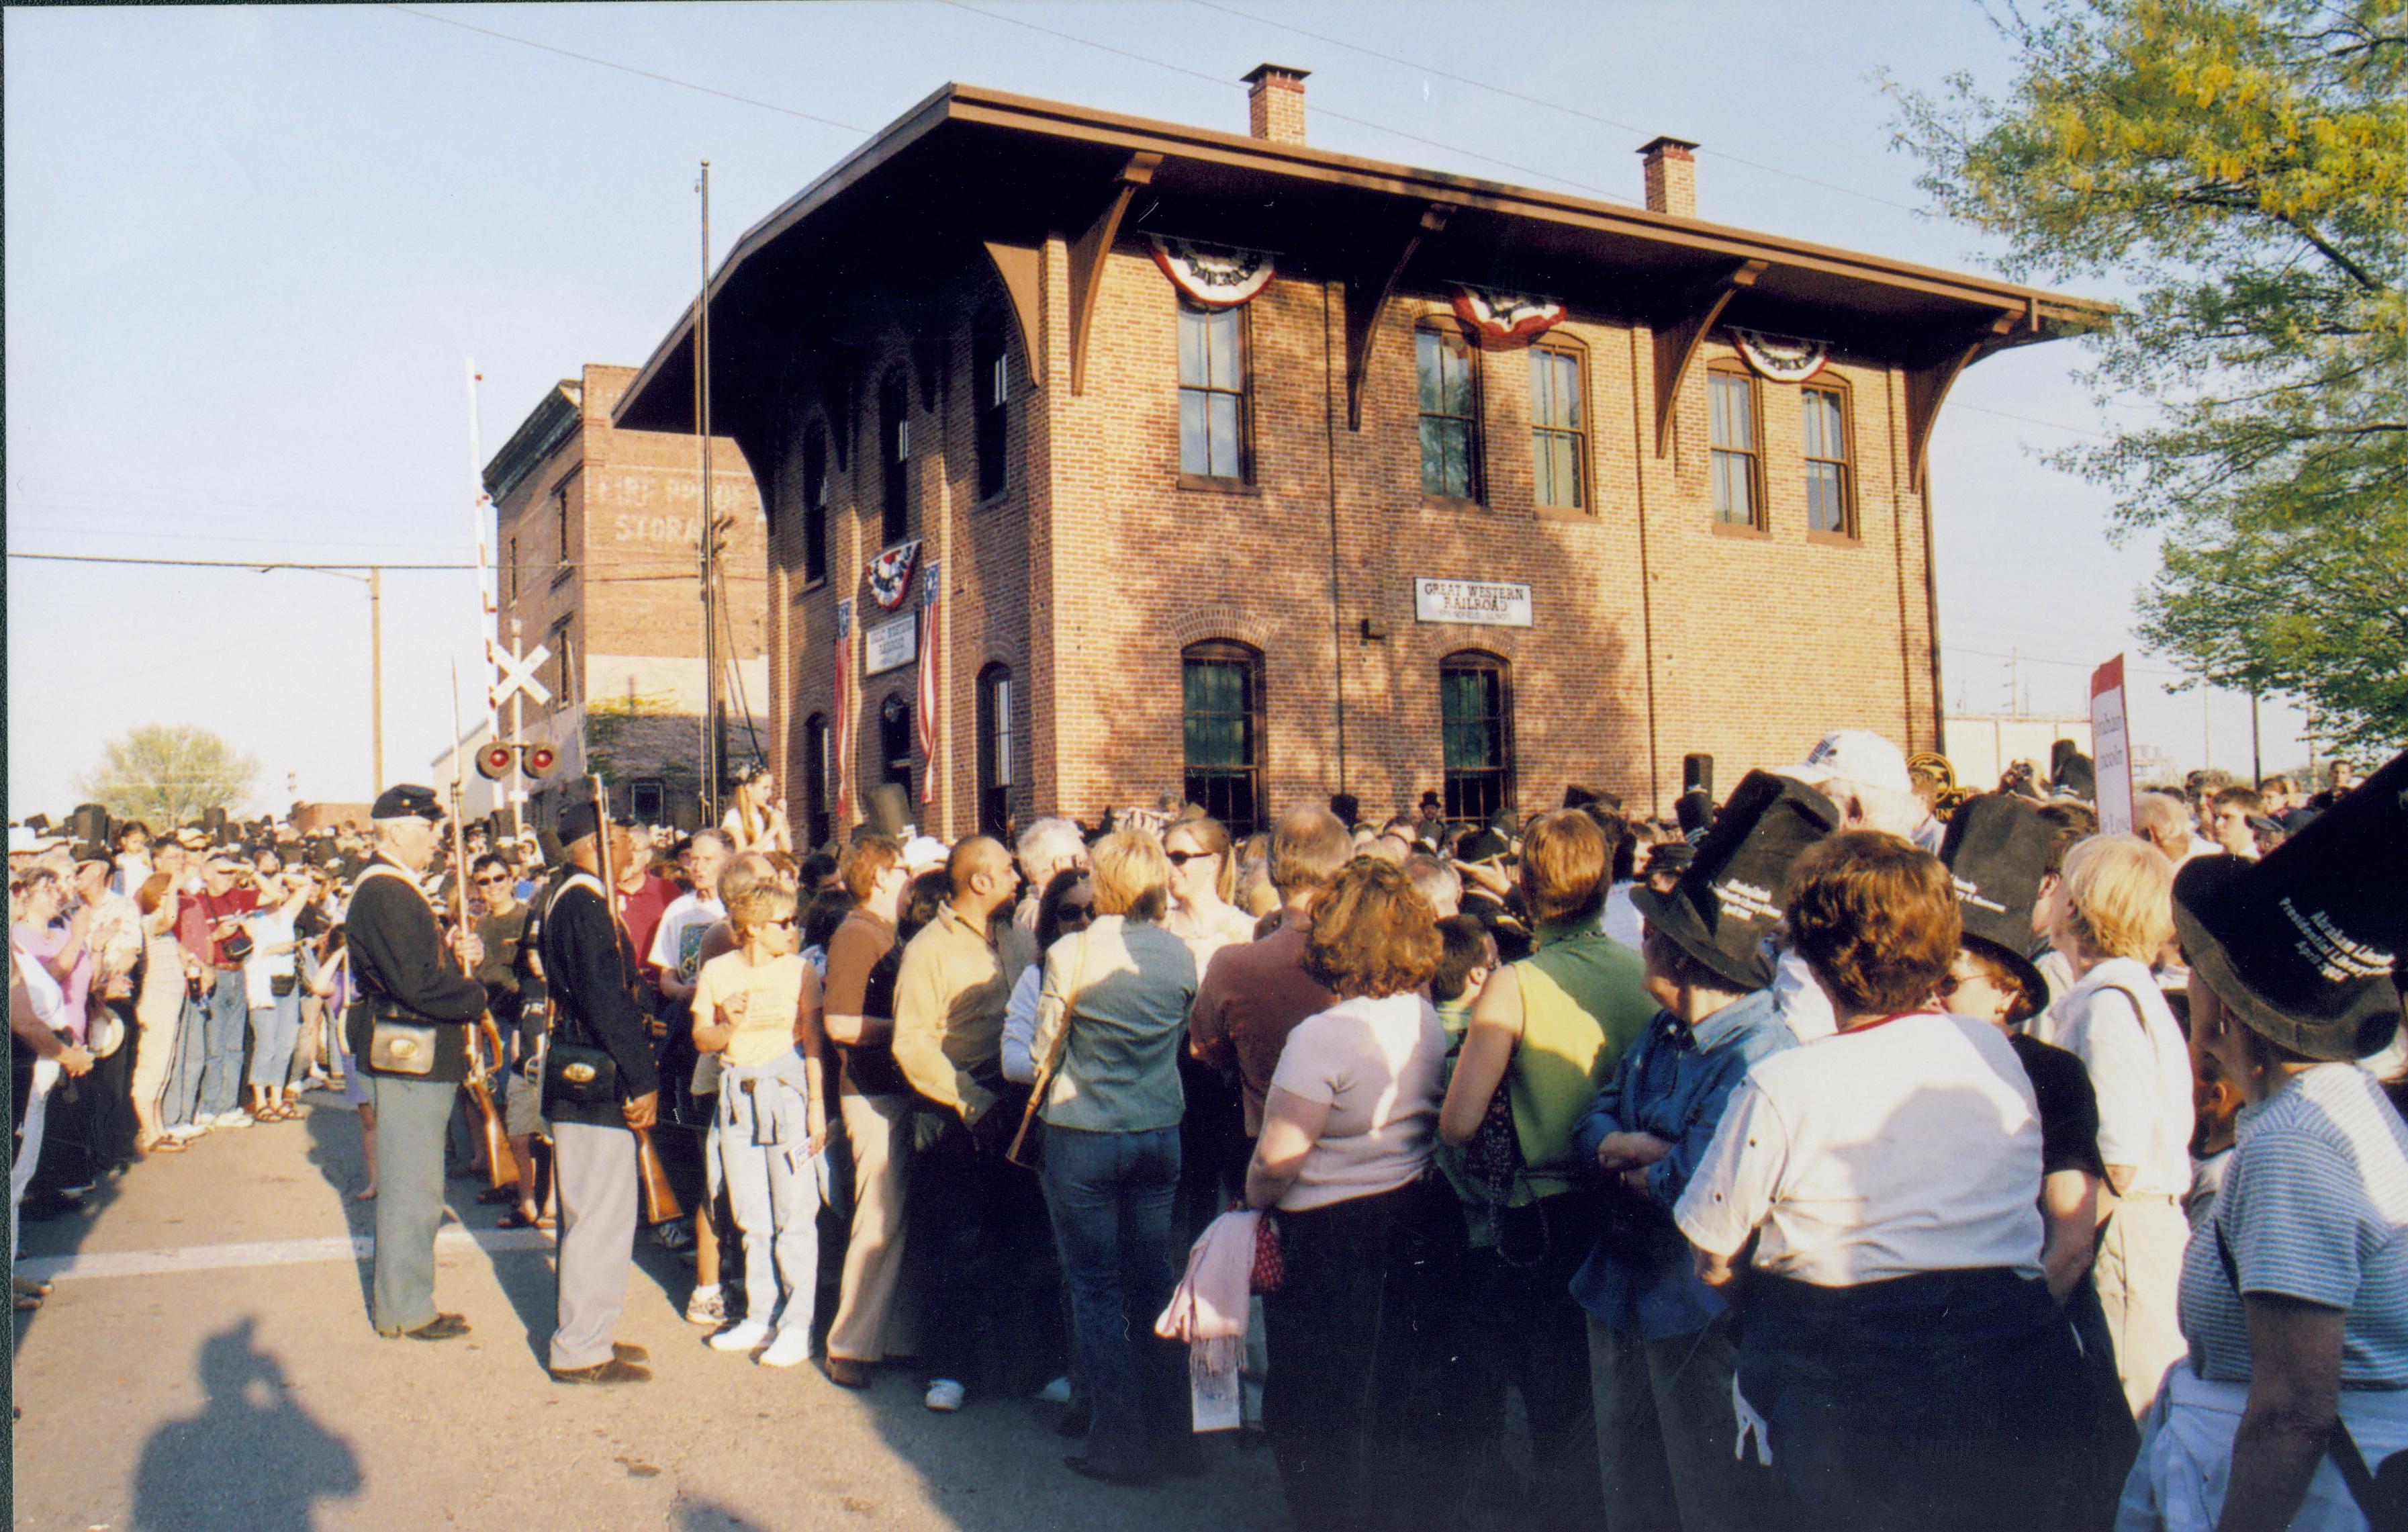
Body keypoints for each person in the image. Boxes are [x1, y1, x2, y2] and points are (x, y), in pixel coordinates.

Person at [1673, 831, 2087, 1531]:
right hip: (2007, 1372)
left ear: (1813, 954)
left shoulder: (1784, 1084)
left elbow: (1711, 1252)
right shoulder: (1989, 1048)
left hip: (1852, 1401)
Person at [2119, 753, 2408, 1532]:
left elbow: (2293, 1408)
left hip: (2316, 1502)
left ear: (2231, 1001)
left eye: (2196, 967)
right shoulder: (2337, 1104)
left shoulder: (2296, 1142)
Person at [1571, 770, 1829, 1532]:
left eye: (1651, 928)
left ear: (1684, 954)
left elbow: (1695, 1185)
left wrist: (1644, 1157)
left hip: (1695, 1310)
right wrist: (1637, 1147)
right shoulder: (1662, 1030)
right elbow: (1592, 1125)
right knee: (1630, 1484)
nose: (1639, 935)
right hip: (1622, 1286)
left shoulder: (1760, 1049)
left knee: (1704, 1492)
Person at [1437, 809, 1655, 1529]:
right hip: (1630, 1199)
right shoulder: (1640, 972)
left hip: (1543, 1210)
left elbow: (1458, 1122)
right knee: (1610, 1399)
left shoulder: (1516, 983)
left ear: (1523, 885)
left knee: (1550, 1393)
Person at [1244, 859, 1456, 1532]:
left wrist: (1249, 1196)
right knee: (1396, 1394)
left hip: (1328, 1237)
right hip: (1413, 1215)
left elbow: (1277, 1161)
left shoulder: (1322, 1035)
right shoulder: (1422, 1017)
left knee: (1317, 1406)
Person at [1027, 829, 1200, 1484]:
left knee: (1096, 1291)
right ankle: (1176, 1438)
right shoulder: (1179, 954)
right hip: (1158, 1127)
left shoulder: (1071, 952)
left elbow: (1045, 1051)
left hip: (1085, 1131)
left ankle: (1119, 1443)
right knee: (1154, 1281)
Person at [2035, 833, 2193, 1417]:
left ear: (2075, 907)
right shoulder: (2116, 993)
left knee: (2133, 1415)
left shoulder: (2107, 1006)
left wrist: (2063, 1257)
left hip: (2122, 1238)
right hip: (2130, 1232)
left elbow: (2117, 1157)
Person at [890, 834, 1037, 1412]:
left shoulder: (1020, 936)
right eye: (1007, 868)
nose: (1018, 877)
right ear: (979, 881)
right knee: (956, 1241)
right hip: (955, 1107)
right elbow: (914, 1044)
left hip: (1016, 1102)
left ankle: (1024, 1366)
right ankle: (948, 1369)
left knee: (1019, 1236)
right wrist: (975, 1103)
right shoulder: (928, 949)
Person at [343, 785, 489, 1342]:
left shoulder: (395, 889)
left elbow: (413, 967)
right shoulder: (387, 891)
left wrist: (453, 956)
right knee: (412, 1189)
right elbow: (414, 983)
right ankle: (404, 1307)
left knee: (418, 1184)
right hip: (409, 1050)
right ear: (399, 830)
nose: (436, 838)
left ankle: (408, 1299)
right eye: (429, 828)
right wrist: (474, 999)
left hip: (412, 1047)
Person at [537, 804, 661, 1385]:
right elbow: (608, 1002)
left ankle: (591, 1332)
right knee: (598, 1214)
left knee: (598, 1212)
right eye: (618, 839)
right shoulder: (585, 906)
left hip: (587, 1063)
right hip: (595, 1067)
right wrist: (644, 1078)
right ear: (591, 845)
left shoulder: (572, 898)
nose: (631, 850)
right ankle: (582, 1348)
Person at [691, 878, 827, 1369]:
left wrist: (815, 1106)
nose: (793, 930)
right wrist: (726, 1022)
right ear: (750, 927)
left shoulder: (801, 971)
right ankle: (760, 1314)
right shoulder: (718, 970)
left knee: (795, 1213)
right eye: (783, 922)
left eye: (795, 921)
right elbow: (703, 1038)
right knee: (751, 1215)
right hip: (738, 1096)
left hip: (786, 1097)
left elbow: (813, 1041)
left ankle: (798, 1324)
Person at [1189, 805, 1350, 1138]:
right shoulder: (1375, 955)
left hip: (1272, 1139)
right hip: (1365, 1145)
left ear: (1273, 872)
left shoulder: (1232, 964)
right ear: (1344, 869)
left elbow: (1205, 1051)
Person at [820, 833, 915, 1387]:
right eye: (899, 867)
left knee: (890, 1216)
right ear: (878, 875)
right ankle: (850, 1345)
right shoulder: (857, 933)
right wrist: (911, 1029)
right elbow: (839, 1023)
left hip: (883, 1091)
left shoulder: (880, 930)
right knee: (878, 1217)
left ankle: (882, 1338)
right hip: (871, 1092)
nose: (906, 877)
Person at [1001, 870, 1097, 1085]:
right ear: (1052, 920)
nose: (1084, 920)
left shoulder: (1119, 972)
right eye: (1070, 913)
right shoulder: (1035, 978)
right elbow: (1012, 1061)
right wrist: (1078, 1077)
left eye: (1093, 910)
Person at [240, 872, 314, 1122]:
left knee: (285, 1043)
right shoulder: (252, 919)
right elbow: (246, 954)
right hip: (264, 984)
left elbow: (306, 884)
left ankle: (277, 1097)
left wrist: (282, 875)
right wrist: (272, 949)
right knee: (266, 1044)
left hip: (287, 983)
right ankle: (260, 1099)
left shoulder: (287, 914)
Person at [130, 873, 188, 1153]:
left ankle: (158, 1127)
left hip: (171, 1001)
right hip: (157, 1001)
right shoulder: (150, 922)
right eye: (164, 895)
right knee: (152, 1067)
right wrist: (175, 885)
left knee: (164, 1067)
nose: (171, 900)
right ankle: (150, 1132)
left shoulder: (162, 929)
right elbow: (170, 917)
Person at [1014, 818, 1091, 938]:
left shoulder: (1025, 910)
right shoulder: (1043, 914)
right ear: (1059, 864)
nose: (1085, 870)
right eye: (1079, 862)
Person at [722, 766, 794, 856]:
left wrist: (780, 821)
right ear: (749, 788)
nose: (769, 794)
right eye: (765, 788)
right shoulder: (734, 817)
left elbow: (786, 850)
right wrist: (773, 829)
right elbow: (742, 855)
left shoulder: (769, 812)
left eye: (771, 789)